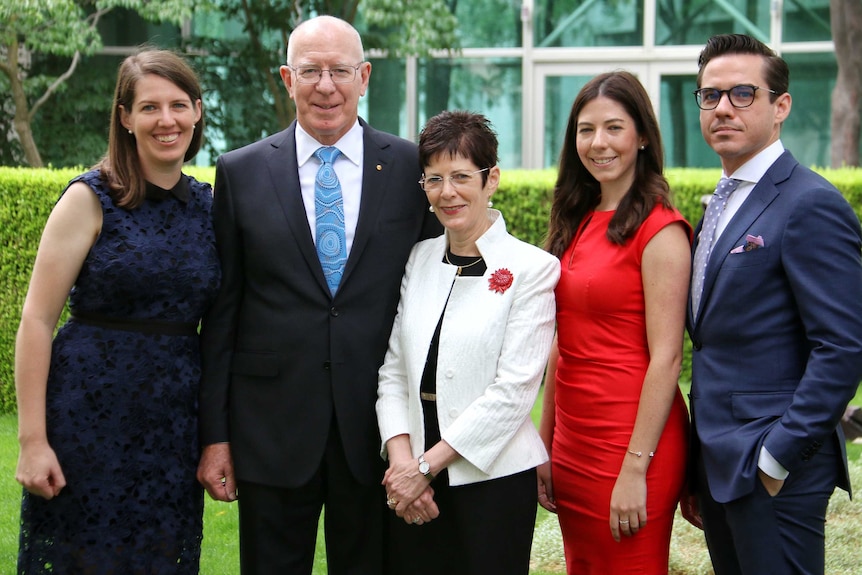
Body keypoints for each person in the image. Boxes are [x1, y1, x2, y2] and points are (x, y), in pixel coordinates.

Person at [195, 15, 441, 575]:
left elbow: (433, 300)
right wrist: (215, 438)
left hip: (378, 431)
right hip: (271, 430)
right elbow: (224, 311)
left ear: (365, 76)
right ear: (287, 77)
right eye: (309, 71)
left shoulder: (410, 168)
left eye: (339, 71)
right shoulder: (240, 171)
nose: (325, 86)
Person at [14, 49, 219, 573]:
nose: (166, 120)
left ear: (197, 111)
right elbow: (37, 320)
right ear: (124, 118)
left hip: (173, 421)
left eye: (178, 105)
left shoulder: (210, 206)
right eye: (149, 107)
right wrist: (33, 442)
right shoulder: (90, 199)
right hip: (88, 414)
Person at [682, 33, 862, 575]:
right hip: (716, 461)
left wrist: (778, 455)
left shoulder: (810, 203)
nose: (723, 108)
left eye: (742, 94)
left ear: (780, 106)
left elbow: (844, 346)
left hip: (773, 465)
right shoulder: (721, 202)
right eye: (710, 96)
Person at [375, 110, 559, 575]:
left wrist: (423, 468)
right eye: (434, 179)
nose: (447, 192)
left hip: (493, 477)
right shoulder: (418, 258)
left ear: (491, 178)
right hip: (415, 469)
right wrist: (402, 467)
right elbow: (394, 370)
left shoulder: (532, 269)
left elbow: (514, 391)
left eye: (461, 176)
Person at [539, 70, 691, 574]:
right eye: (586, 129)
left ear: (643, 135)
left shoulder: (661, 230)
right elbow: (562, 340)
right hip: (573, 442)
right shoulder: (576, 218)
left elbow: (667, 359)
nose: (598, 142)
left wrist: (634, 469)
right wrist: (545, 440)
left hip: (631, 444)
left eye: (614, 128)